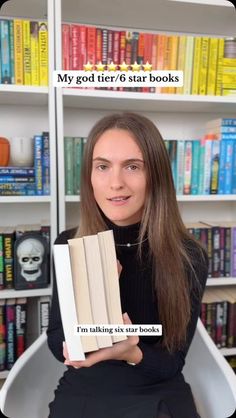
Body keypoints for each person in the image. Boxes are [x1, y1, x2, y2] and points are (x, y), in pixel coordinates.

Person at [47, 112, 208, 418]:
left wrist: (130, 350)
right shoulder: (68, 244)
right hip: (85, 389)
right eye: (102, 166)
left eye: (132, 167)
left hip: (157, 390)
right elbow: (57, 339)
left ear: (156, 176)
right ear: (89, 176)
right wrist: (91, 306)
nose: (115, 183)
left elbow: (172, 363)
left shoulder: (189, 255)